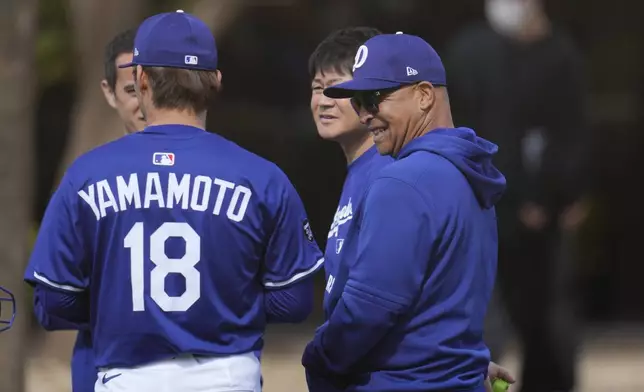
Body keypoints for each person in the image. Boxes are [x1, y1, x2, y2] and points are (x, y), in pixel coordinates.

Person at [25, 10, 323, 392]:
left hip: (127, 378)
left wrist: (121, 306)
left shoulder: (87, 174)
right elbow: (294, 301)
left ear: (141, 79)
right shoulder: (261, 176)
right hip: (228, 377)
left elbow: (53, 303)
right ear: (215, 81)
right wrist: (225, 304)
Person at [302, 32, 507, 391]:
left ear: (424, 95)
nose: (365, 114)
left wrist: (318, 360)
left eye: (375, 99)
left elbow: (368, 308)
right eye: (359, 101)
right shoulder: (466, 171)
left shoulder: (404, 181)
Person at [445, 1, 587, 390]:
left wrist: (561, 194)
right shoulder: (479, 51)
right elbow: (494, 130)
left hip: (529, 207)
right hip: (499, 202)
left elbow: (569, 131)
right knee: (498, 313)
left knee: (539, 314)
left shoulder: (558, 55)